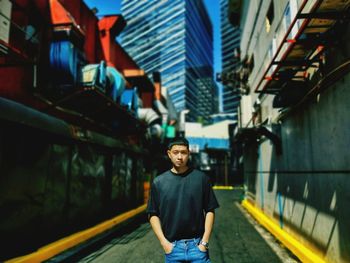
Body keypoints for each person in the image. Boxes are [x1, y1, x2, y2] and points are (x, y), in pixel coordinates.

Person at [147, 137, 219, 263]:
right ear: (169, 154)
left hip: (197, 247)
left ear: (189, 153)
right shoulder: (159, 182)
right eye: (175, 152)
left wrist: (204, 243)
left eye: (183, 152)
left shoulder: (202, 179)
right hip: (172, 248)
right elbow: (152, 214)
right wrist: (164, 243)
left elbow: (210, 210)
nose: (180, 157)